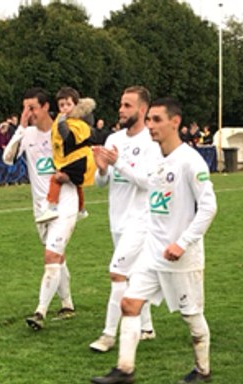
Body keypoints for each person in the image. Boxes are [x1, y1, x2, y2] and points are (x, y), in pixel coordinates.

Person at [91, 97, 217, 384]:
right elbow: (145, 183)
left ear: (175, 122)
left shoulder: (190, 161)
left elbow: (209, 207)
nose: (151, 125)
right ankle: (124, 369)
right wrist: (114, 164)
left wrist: (182, 243)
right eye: (149, 120)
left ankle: (203, 369)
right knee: (130, 303)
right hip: (153, 252)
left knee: (191, 315)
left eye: (157, 120)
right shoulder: (157, 160)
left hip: (181, 256)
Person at [87, 85, 160, 353]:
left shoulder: (151, 141)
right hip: (117, 218)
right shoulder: (113, 139)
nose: (121, 110)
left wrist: (118, 163)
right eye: (121, 104)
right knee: (135, 275)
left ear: (142, 109)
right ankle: (147, 327)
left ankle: (108, 335)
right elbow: (101, 182)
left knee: (117, 273)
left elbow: (147, 182)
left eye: (127, 105)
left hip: (141, 220)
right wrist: (102, 170)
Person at [1, 87, 78, 330]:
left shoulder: (63, 130)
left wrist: (69, 175)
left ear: (45, 107)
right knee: (57, 255)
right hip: (41, 207)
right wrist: (21, 127)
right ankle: (67, 305)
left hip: (65, 201)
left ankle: (40, 312)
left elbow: (82, 159)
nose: (28, 112)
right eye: (25, 108)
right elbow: (8, 158)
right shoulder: (28, 134)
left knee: (51, 256)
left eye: (32, 108)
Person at [35, 87, 95, 223]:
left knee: (56, 178)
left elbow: (70, 139)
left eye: (68, 104)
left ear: (76, 105)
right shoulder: (64, 119)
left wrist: (62, 124)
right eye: (62, 105)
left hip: (79, 160)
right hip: (76, 160)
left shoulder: (78, 122)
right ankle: (81, 209)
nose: (65, 108)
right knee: (76, 184)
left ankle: (52, 208)